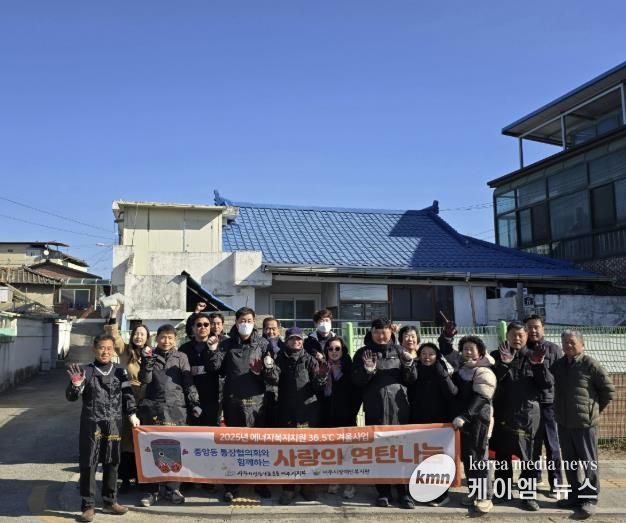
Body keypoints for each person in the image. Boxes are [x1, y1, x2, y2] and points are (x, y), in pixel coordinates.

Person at [205, 307, 276, 502]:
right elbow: (215, 368)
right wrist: (212, 350)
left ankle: (260, 483)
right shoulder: (226, 344)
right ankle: (232, 485)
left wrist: (266, 369)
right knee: (234, 445)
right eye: (242, 321)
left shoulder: (263, 344)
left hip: (257, 402)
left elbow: (273, 376)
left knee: (258, 445)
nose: (245, 324)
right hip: (233, 401)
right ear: (236, 323)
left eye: (249, 321)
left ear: (254, 322)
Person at [66, 334, 137, 522]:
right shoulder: (85, 371)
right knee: (89, 463)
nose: (105, 352)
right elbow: (71, 397)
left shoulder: (120, 371)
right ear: (94, 349)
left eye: (109, 348)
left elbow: (127, 394)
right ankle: (88, 506)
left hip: (114, 423)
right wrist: (76, 385)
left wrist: (131, 413)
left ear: (113, 350)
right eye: (101, 348)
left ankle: (110, 501)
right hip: (91, 423)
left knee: (112, 462)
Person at [352, 318, 416, 509]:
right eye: (377, 332)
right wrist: (368, 371)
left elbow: (412, 380)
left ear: (391, 332)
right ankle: (383, 492)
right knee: (380, 451)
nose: (381, 335)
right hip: (375, 408)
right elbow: (356, 381)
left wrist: (408, 365)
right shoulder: (363, 353)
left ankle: (404, 492)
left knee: (401, 451)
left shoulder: (400, 351)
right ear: (371, 332)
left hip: (400, 409)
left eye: (385, 331)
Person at [551, 330, 615, 519]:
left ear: (582, 344)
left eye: (572, 342)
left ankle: (589, 499)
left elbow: (608, 391)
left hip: (585, 425)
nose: (568, 345)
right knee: (570, 463)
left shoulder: (590, 364)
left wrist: (592, 410)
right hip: (564, 423)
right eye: (565, 342)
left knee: (589, 463)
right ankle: (574, 495)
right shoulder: (559, 366)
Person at [490, 321, 553, 511]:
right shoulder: (496, 355)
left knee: (529, 457)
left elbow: (547, 384)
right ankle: (503, 492)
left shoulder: (535, 356)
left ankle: (528, 496)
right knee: (502, 456)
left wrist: (538, 366)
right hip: (503, 413)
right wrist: (504, 364)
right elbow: (490, 381)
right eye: (513, 335)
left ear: (526, 337)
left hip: (529, 415)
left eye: (520, 335)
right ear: (507, 336)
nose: (516, 339)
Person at [137, 324, 202, 507]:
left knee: (174, 449)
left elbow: (188, 382)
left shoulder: (181, 357)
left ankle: (173, 489)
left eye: (170, 338)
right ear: (157, 338)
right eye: (163, 337)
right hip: (154, 408)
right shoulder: (149, 355)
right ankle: (152, 490)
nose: (166, 341)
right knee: (152, 448)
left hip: (176, 408)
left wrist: (195, 403)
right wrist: (147, 362)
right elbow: (145, 379)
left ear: (175, 339)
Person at [272, 327, 329, 504]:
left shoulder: (310, 359)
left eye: (299, 339)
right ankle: (288, 488)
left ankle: (307, 486)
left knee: (308, 451)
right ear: (286, 341)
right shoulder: (279, 358)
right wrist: (267, 369)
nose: (296, 341)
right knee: (287, 451)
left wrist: (321, 377)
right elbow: (273, 380)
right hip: (286, 411)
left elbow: (318, 387)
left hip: (308, 412)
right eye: (292, 339)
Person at [103, 305, 149, 491]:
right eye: (136, 333)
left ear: (147, 337)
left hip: (145, 401)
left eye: (142, 334)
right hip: (126, 398)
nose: (139, 337)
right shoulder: (125, 351)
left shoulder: (151, 354)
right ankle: (125, 479)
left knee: (141, 440)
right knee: (125, 440)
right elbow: (114, 336)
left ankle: (141, 477)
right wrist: (114, 315)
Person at [451, 335, 496, 514]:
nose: (468, 352)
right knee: (468, 458)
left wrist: (465, 416)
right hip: (463, 422)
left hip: (479, 421)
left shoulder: (484, 371)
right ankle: (474, 491)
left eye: (471, 349)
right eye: (465, 349)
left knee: (480, 458)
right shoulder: (462, 370)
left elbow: (482, 397)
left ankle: (485, 496)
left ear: (480, 352)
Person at [525, 314, 563, 496]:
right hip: (528, 405)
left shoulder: (553, 349)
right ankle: (535, 477)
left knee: (552, 445)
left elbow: (559, 378)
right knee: (531, 445)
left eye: (536, 327)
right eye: (529, 327)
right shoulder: (522, 349)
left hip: (548, 404)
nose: (533, 330)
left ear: (543, 328)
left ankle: (556, 483)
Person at [321, 336, 361, 500]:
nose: (334, 352)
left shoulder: (349, 367)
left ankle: (350, 483)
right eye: (330, 349)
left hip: (346, 416)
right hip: (327, 415)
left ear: (343, 350)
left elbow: (357, 394)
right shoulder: (322, 366)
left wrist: (351, 412)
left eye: (337, 348)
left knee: (348, 451)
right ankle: (335, 479)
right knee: (332, 450)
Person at [179, 312, 221, 426]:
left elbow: (217, 368)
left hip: (212, 397)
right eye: (199, 325)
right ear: (193, 328)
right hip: (190, 398)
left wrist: (197, 369)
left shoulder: (219, 346)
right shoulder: (184, 348)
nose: (203, 327)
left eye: (206, 324)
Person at [262, 316, 284, 427]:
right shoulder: (258, 345)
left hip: (281, 393)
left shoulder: (285, 347)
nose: (271, 331)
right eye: (268, 328)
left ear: (278, 330)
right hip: (261, 393)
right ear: (263, 330)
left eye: (273, 328)